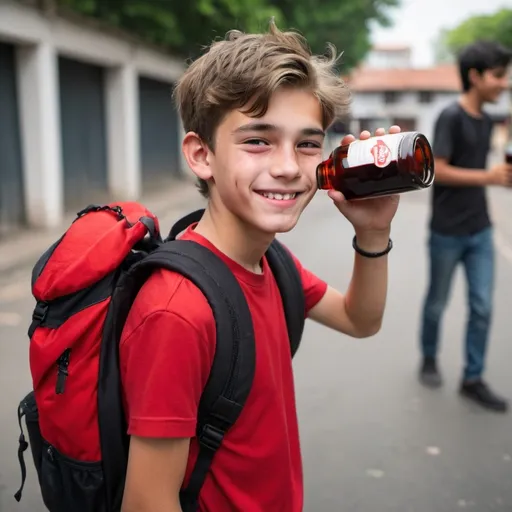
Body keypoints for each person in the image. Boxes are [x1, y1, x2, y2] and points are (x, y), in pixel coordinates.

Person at [119, 20, 401, 512]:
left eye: (308, 144)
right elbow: (147, 502)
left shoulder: (269, 258)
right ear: (201, 154)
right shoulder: (176, 312)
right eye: (257, 141)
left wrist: (373, 232)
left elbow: (361, 319)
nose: (290, 166)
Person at [418, 40, 512, 412]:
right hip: (446, 230)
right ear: (474, 77)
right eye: (499, 76)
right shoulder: (450, 117)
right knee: (437, 303)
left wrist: (492, 176)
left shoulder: (488, 120)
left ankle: (472, 377)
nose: (504, 84)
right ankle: (429, 357)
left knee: (483, 306)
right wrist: (487, 177)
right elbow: (436, 169)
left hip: (481, 229)